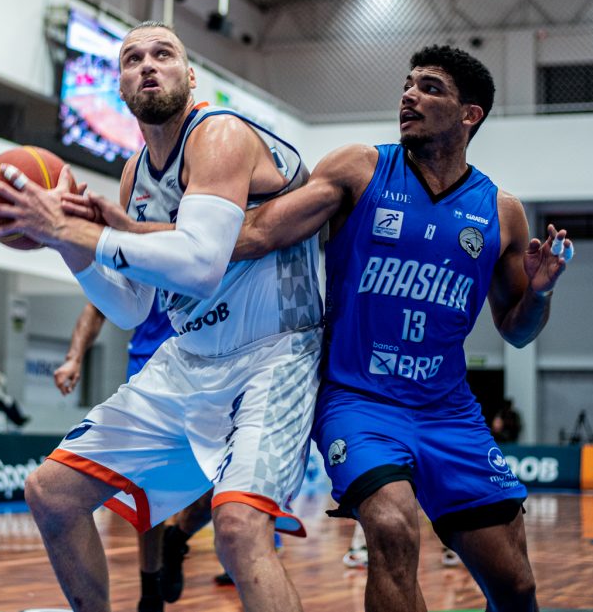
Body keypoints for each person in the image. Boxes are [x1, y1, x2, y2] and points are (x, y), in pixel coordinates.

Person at [0, 21, 322, 612]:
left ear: (189, 76)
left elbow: (201, 263)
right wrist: (67, 245)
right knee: (51, 493)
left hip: (274, 354)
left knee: (239, 530)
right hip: (189, 360)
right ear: (120, 86)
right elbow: (132, 306)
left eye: (163, 54)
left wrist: (77, 231)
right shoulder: (135, 173)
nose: (147, 65)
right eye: (132, 58)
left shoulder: (219, 133)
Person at [232, 44, 573, 612]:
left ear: (470, 115)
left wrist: (539, 293)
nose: (410, 96)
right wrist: (145, 238)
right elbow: (261, 231)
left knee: (516, 586)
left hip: (448, 412)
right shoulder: (360, 168)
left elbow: (517, 332)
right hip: (358, 401)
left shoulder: (501, 211)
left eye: (430, 88)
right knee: (391, 529)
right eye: (408, 85)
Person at [63, 300, 213, 609]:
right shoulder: (138, 266)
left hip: (208, 369)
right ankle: (150, 590)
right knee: (150, 488)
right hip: (148, 369)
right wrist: (74, 358)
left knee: (218, 487)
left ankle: (177, 539)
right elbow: (97, 307)